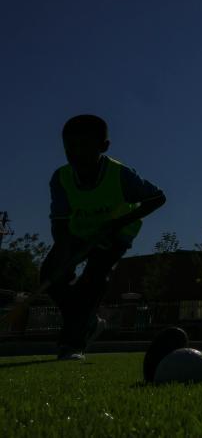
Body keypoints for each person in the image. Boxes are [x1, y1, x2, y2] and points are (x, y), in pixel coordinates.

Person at [41, 115, 165, 360]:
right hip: (79, 232)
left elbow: (157, 198)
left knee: (93, 280)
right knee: (50, 276)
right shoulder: (61, 177)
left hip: (116, 234)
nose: (77, 154)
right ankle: (89, 321)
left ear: (103, 146)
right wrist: (63, 253)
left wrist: (118, 223)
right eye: (70, 148)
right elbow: (60, 220)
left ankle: (72, 345)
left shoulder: (121, 175)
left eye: (85, 147)